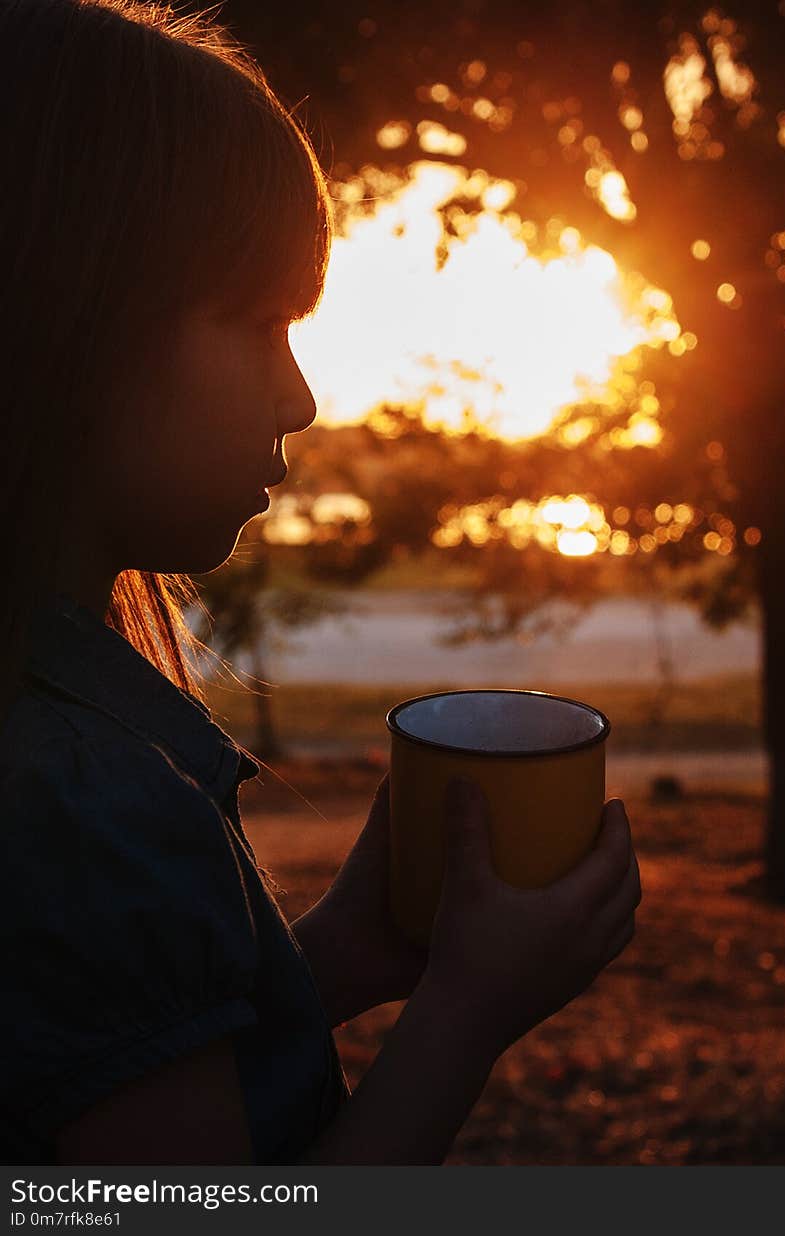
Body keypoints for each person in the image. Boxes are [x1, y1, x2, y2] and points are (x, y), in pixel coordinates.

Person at [0, 0, 641, 1166]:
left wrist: (343, 955)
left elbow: (108, 1053)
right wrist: (463, 1014)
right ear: (64, 320)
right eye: (259, 323)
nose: (299, 399)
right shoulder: (84, 798)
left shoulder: (64, 744)